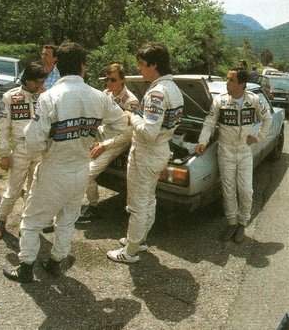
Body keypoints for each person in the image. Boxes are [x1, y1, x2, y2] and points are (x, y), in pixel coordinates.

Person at [3, 42, 127, 283]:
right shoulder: (98, 96)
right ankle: (55, 261)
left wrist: (49, 146)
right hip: (81, 167)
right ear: (83, 66)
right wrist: (94, 133)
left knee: (31, 219)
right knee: (67, 219)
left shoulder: (50, 97)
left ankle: (26, 266)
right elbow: (122, 123)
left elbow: (33, 141)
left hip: (54, 167)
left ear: (57, 67)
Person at [107, 42, 184, 264]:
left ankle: (130, 251)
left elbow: (149, 132)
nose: (139, 69)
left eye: (142, 64)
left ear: (154, 65)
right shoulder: (173, 89)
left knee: (138, 203)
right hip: (159, 150)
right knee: (148, 199)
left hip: (147, 151)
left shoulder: (157, 93)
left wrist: (132, 117)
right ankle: (139, 240)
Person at [195, 67, 272, 243]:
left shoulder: (253, 100)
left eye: (230, 80)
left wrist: (258, 137)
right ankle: (231, 223)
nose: (227, 83)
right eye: (227, 79)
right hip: (225, 151)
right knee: (228, 191)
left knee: (246, 190)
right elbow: (209, 122)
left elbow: (267, 119)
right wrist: (202, 142)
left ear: (241, 84)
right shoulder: (220, 100)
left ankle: (242, 224)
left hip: (244, 151)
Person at [0, 62, 47, 239]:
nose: (39, 85)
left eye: (42, 81)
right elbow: (3, 127)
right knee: (14, 189)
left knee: (35, 188)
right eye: (37, 82)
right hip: (21, 148)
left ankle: (26, 221)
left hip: (40, 148)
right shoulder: (10, 96)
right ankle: (1, 220)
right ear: (27, 79)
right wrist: (4, 154)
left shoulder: (44, 96)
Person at [78, 63, 138, 222]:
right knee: (77, 158)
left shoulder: (131, 101)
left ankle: (93, 207)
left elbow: (129, 134)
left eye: (113, 80)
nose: (109, 83)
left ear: (122, 81)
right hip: (101, 133)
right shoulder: (106, 94)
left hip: (117, 140)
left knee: (87, 173)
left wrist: (104, 146)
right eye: (107, 79)